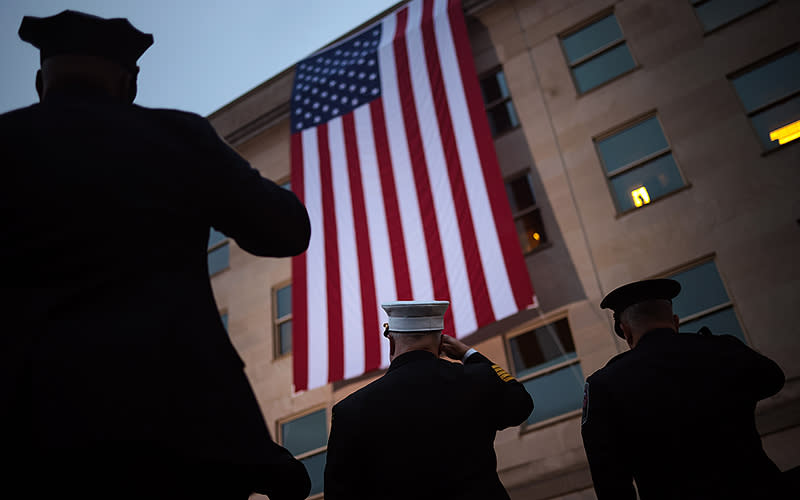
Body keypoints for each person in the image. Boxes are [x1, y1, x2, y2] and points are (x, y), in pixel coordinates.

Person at [0, 10, 311, 500]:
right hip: (176, 426)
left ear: (41, 80)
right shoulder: (177, 137)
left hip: (25, 427)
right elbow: (287, 232)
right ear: (129, 82)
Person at [581, 279, 787, 499]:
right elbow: (773, 379)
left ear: (626, 330)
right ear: (676, 321)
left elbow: (609, 478)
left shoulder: (604, 384)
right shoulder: (722, 349)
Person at [324, 300, 534, 500]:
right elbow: (520, 404)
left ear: (391, 341)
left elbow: (340, 492)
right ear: (442, 342)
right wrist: (470, 355)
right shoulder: (476, 378)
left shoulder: (350, 410)